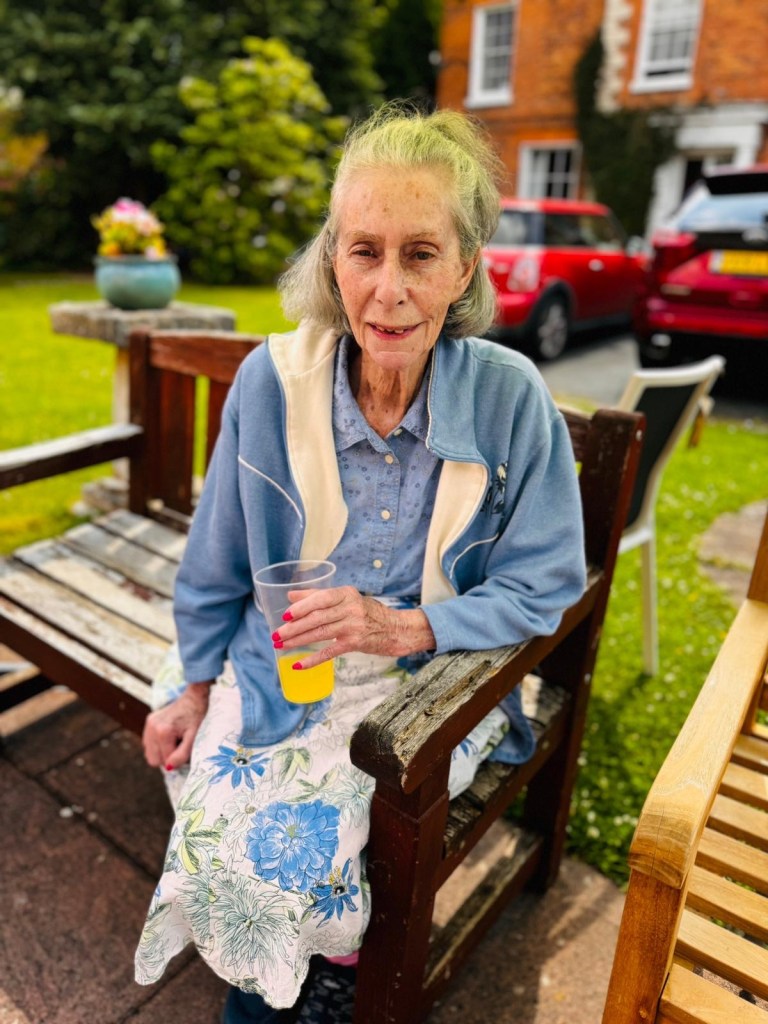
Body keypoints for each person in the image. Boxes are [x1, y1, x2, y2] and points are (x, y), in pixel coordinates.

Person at [135, 103, 586, 1024]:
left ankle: (317, 974)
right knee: (225, 851)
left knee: (298, 857)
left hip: (431, 683)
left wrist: (406, 626)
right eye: (364, 252)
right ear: (331, 260)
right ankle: (302, 975)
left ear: (465, 268)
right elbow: (216, 563)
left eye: (421, 255)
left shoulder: (510, 399)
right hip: (279, 666)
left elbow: (547, 582)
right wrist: (192, 685)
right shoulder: (272, 384)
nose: (388, 290)